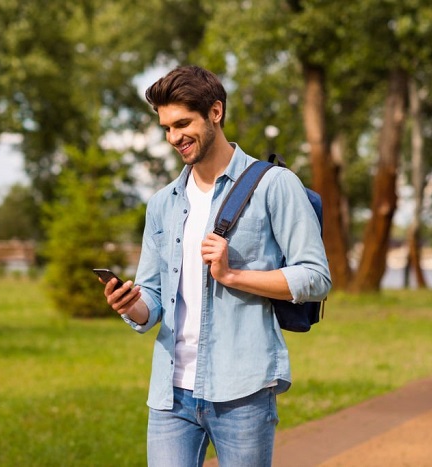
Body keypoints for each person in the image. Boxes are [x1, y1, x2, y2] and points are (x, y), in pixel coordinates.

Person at [100, 65, 331, 466]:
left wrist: (232, 275)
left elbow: (316, 276)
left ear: (216, 112)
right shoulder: (163, 203)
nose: (175, 137)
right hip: (171, 396)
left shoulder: (275, 186)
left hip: (242, 391)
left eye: (183, 123)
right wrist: (130, 304)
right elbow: (152, 298)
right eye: (167, 128)